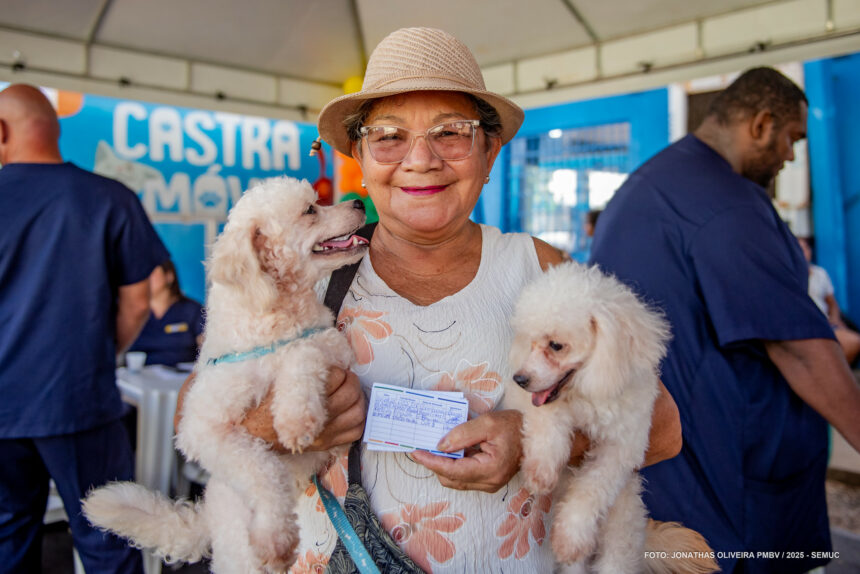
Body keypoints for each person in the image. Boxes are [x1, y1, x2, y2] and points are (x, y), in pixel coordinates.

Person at [177, 27, 682, 573]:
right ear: (361, 158)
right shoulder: (302, 272)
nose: (420, 159)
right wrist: (273, 430)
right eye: (388, 136)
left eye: (451, 133)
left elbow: (662, 427)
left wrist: (533, 440)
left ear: (489, 153)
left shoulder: (539, 268)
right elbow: (195, 409)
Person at [589, 67, 860, 574]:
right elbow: (798, 347)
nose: (790, 155)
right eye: (792, 138)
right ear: (761, 124)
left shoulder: (653, 183)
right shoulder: (726, 203)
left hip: (669, 471)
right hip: (728, 481)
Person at [0, 84, 169, 573]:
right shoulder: (110, 197)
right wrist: (99, 353)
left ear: (3, 131)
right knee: (108, 539)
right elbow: (138, 302)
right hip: (79, 400)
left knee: (8, 536)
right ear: (54, 130)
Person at [128, 259, 204, 367]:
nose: (145, 278)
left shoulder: (192, 310)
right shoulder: (133, 311)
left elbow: (206, 345)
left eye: (151, 273)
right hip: (137, 374)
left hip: (183, 374)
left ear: (169, 276)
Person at [797, 235, 860, 364]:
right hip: (802, 328)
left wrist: (835, 319)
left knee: (853, 341)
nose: (804, 252)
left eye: (806, 248)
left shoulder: (820, 274)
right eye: (799, 249)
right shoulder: (788, 277)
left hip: (825, 324)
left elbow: (832, 303)